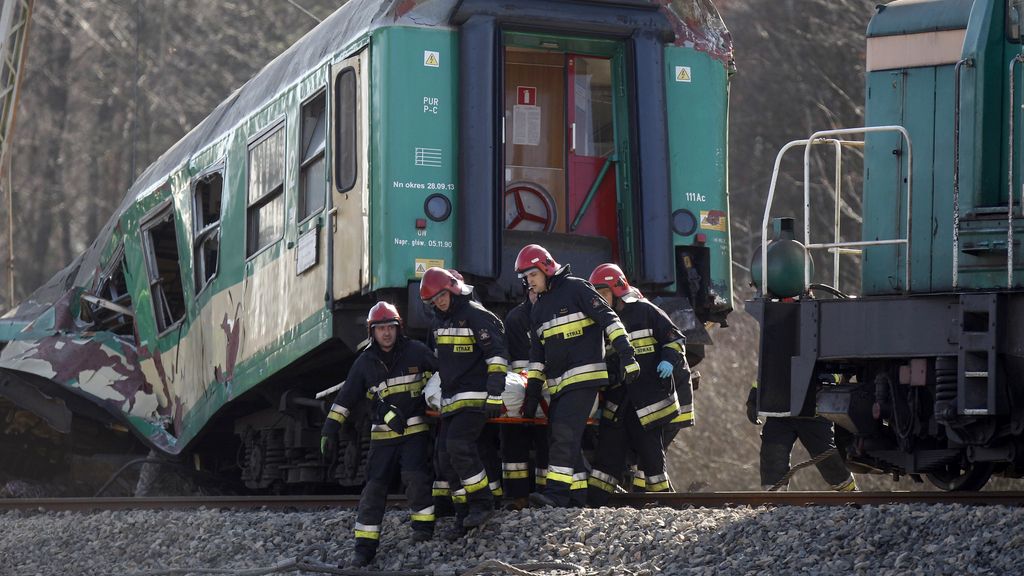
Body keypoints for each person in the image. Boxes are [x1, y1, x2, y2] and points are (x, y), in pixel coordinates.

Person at [514, 244, 638, 508]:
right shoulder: (537, 310)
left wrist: (627, 354)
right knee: (560, 439)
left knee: (563, 434)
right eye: (526, 279)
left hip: (584, 378)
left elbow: (610, 319)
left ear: (547, 268)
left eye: (532, 276)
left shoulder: (578, 288)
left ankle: (556, 496)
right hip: (560, 386)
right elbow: (537, 358)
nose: (529, 283)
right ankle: (578, 497)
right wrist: (532, 395)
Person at [320, 302, 437, 568]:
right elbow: (345, 399)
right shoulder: (364, 363)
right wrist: (330, 429)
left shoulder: (417, 352)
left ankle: (424, 530)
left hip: (415, 432)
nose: (386, 333)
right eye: (381, 328)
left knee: (415, 479)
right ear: (372, 332)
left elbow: (440, 377)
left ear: (399, 329)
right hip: (382, 438)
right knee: (373, 490)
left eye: (390, 327)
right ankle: (364, 548)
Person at [585, 263, 689, 505]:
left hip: (647, 400)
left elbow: (675, 339)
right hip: (619, 398)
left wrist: (667, 361)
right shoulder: (602, 321)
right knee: (607, 454)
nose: (599, 300)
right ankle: (594, 502)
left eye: (602, 293)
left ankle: (663, 502)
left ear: (616, 289)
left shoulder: (645, 311)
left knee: (651, 454)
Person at [420, 267, 508, 534]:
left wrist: (494, 395)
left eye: (442, 296)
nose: (439, 302)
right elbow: (436, 362)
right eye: (434, 300)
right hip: (451, 401)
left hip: (476, 397)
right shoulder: (438, 323)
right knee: (444, 459)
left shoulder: (476, 315)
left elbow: (497, 357)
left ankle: (482, 503)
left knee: (459, 445)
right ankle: (463, 514)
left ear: (453, 289)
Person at [747, 380, 858, 491]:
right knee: (773, 454)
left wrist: (826, 378)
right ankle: (773, 501)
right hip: (780, 412)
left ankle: (850, 495)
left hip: (814, 412)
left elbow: (840, 372)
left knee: (827, 457)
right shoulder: (778, 361)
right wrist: (755, 395)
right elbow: (767, 372)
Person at [500, 288, 549, 508]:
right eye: (530, 290)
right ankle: (516, 497)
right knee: (513, 442)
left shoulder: (555, 313)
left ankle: (546, 495)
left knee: (547, 442)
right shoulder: (516, 318)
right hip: (519, 393)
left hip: (546, 392)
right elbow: (506, 359)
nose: (535, 294)